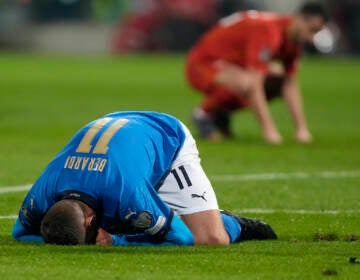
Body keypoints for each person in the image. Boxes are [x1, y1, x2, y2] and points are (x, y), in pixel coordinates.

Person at [12, 111, 276, 246]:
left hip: (166, 136)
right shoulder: (45, 191)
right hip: (120, 131)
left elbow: (182, 238)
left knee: (209, 239)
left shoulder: (127, 192)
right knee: (126, 219)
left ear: (91, 220)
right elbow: (20, 233)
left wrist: (116, 241)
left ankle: (232, 222)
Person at [185, 2, 328, 143]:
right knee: (248, 83)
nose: (311, 38)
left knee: (279, 78)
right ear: (299, 18)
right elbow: (255, 83)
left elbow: (290, 82)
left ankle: (220, 112)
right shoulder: (269, 31)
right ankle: (204, 114)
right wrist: (269, 131)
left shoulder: (291, 38)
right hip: (201, 64)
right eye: (311, 30)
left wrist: (302, 130)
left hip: (231, 65)